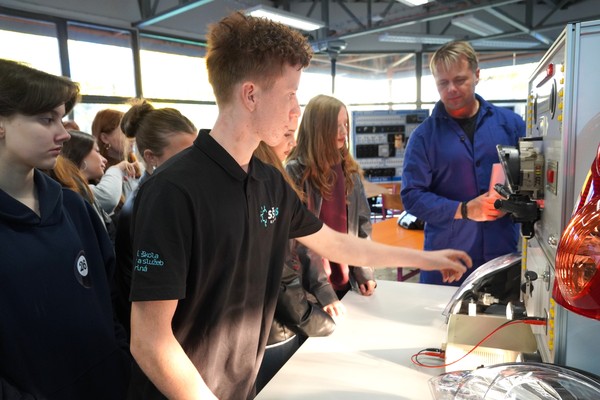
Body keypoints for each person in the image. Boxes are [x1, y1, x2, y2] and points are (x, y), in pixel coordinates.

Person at [127, 12, 472, 400]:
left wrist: (428, 258)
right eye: (290, 93)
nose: (296, 109)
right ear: (251, 95)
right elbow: (149, 340)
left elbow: (336, 243)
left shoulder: (270, 182)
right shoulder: (172, 190)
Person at [0, 58, 130, 399]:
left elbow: (110, 299)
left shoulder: (73, 207)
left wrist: (120, 362)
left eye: (61, 118)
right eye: (46, 119)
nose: (63, 133)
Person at [401, 40, 526, 286]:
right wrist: (464, 209)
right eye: (443, 83)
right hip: (447, 261)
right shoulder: (423, 137)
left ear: (477, 75)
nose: (451, 89)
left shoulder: (511, 125)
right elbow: (412, 196)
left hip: (502, 255)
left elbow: (534, 180)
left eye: (459, 80)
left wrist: (516, 203)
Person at [253, 137, 340, 393]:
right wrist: (317, 321)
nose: (292, 142)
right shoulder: (268, 189)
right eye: (286, 133)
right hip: (274, 331)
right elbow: (280, 274)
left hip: (273, 323)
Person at [114, 98, 197, 336]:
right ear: (151, 157)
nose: (196, 163)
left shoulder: (169, 193)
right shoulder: (150, 205)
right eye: (184, 155)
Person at [286, 94, 377, 299]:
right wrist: (322, 289)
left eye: (345, 124)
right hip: (311, 289)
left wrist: (364, 271)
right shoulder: (295, 172)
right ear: (318, 128)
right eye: (336, 126)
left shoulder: (349, 171)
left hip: (348, 283)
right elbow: (299, 241)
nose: (344, 132)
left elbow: (362, 224)